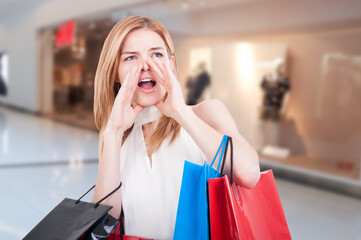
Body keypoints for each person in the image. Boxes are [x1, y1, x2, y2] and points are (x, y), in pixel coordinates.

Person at [91, 16, 260, 240]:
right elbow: (104, 224)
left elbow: (249, 174)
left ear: (171, 64)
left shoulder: (206, 113)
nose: (145, 66)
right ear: (115, 72)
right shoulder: (114, 135)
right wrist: (112, 133)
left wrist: (180, 111)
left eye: (156, 54)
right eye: (131, 57)